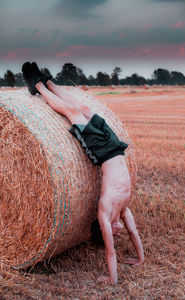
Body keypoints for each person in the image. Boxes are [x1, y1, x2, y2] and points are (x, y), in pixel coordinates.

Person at [22, 62, 144, 284]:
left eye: (113, 234)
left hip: (101, 152)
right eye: (118, 233)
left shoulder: (106, 210)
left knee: (73, 112)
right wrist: (140, 259)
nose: (118, 233)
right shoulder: (124, 209)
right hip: (115, 147)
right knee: (85, 110)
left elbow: (110, 252)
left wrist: (111, 278)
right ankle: (45, 81)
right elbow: (134, 235)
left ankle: (39, 84)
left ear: (104, 227)